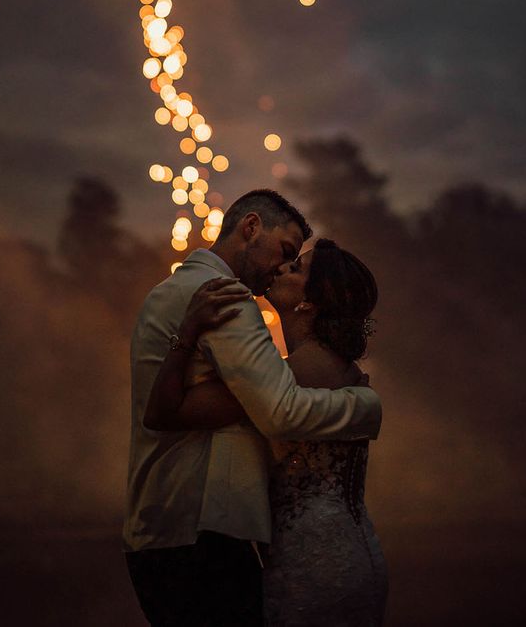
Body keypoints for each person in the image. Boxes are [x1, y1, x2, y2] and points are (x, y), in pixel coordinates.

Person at [123, 189, 382, 627]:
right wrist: (363, 407)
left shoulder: (169, 289)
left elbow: (172, 412)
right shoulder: (226, 298)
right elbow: (278, 409)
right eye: (286, 253)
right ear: (251, 228)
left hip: (166, 525)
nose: (282, 267)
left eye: (295, 264)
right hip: (206, 528)